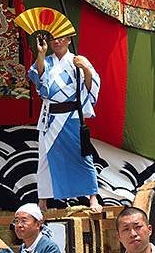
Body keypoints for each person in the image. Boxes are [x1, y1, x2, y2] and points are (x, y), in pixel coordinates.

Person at [28, 35, 101, 212]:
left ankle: (93, 198)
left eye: (61, 38)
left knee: (83, 155)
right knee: (45, 158)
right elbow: (38, 77)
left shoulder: (77, 60)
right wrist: (41, 53)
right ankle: (43, 201)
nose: (57, 42)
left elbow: (92, 86)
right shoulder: (46, 60)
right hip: (51, 116)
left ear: (69, 40)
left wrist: (85, 69)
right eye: (54, 39)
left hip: (72, 115)